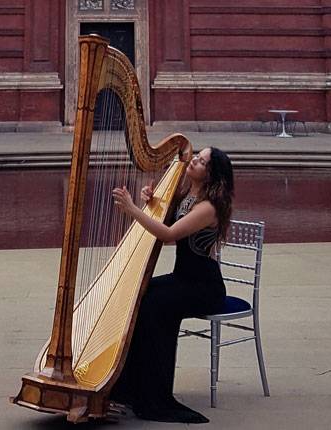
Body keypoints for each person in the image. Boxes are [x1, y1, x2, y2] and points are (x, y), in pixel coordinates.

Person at [109, 146, 235, 424]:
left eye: (201, 161)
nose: (194, 161)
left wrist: (132, 209)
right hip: (183, 279)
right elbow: (164, 221)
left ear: (210, 174)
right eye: (197, 156)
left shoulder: (207, 208)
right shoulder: (187, 195)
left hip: (203, 287)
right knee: (141, 294)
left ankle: (155, 396)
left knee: (154, 306)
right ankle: (132, 387)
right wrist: (150, 200)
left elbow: (167, 235)